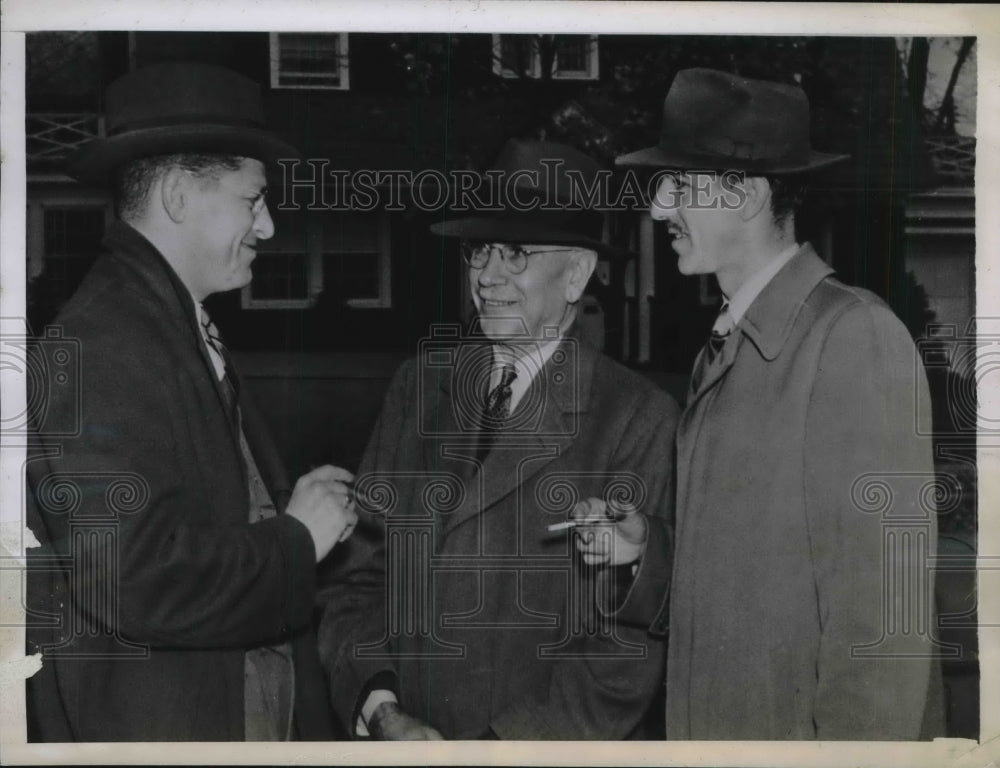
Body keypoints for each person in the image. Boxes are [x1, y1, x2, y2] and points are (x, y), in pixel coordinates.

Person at [575, 67, 943, 740]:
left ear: (744, 194)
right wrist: (648, 551)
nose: (658, 210)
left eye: (678, 186)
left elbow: (883, 628)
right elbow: (748, 578)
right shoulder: (731, 344)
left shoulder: (851, 337)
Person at [25, 62, 357, 741]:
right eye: (252, 199)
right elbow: (135, 577)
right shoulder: (105, 341)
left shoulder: (166, 320)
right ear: (178, 195)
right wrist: (297, 540)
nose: (266, 227)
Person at [317, 140, 679, 740]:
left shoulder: (635, 419)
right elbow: (357, 581)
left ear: (576, 275)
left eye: (515, 254)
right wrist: (381, 709)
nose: (486, 276)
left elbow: (625, 653)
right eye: (479, 250)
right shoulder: (419, 389)